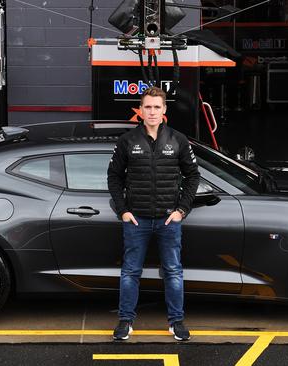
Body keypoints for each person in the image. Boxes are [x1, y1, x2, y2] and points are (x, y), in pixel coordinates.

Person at [107, 86, 200, 342]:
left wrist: (182, 210)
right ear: (140, 110)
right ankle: (125, 322)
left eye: (157, 107)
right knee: (130, 273)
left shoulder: (178, 140)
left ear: (164, 110)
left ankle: (176, 322)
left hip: (168, 220)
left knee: (173, 271)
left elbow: (193, 176)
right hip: (136, 220)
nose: (152, 112)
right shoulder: (127, 141)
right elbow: (113, 178)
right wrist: (123, 211)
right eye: (147, 107)